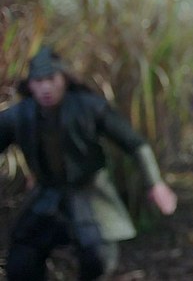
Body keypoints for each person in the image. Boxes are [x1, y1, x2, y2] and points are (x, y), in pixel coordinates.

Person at [0, 46, 177, 281]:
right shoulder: (18, 115)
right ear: (30, 85)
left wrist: (155, 183)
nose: (46, 88)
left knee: (98, 258)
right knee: (22, 260)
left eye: (51, 79)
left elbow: (135, 144)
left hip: (90, 193)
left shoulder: (89, 107)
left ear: (63, 79)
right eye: (39, 81)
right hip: (47, 194)